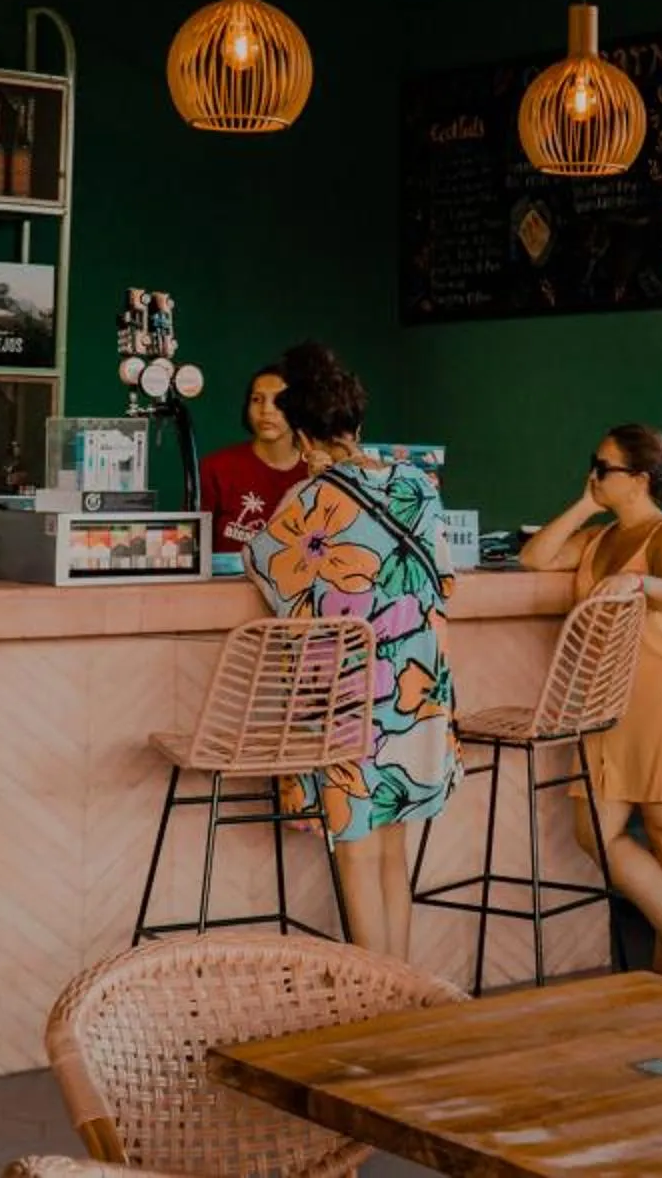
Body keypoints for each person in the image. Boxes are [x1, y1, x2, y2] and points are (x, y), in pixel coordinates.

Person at [240, 341, 459, 959]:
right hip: (420, 685)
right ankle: (403, 990)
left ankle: (377, 1004)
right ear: (357, 424)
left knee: (357, 850)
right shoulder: (419, 485)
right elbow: (442, 581)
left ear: (304, 438)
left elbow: (266, 574)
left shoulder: (307, 502)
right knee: (393, 845)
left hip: (349, 698)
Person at [519, 424, 662, 977]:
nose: (593, 473)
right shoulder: (600, 538)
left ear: (638, 479)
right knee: (594, 832)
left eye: (603, 467)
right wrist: (585, 504)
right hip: (608, 697)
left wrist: (635, 585)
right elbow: (535, 559)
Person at [198, 363, 307, 553]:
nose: (266, 410)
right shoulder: (215, 469)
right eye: (257, 399)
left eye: (280, 401)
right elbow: (193, 550)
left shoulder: (316, 474)